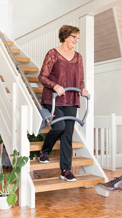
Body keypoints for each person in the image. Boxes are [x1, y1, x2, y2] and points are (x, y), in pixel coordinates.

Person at [38, 25, 89, 182]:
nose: (76, 40)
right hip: (53, 99)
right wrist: (55, 85)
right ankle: (45, 151)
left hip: (71, 99)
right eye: (74, 37)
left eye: (77, 38)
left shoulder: (78, 57)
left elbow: (80, 79)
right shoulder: (53, 54)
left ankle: (65, 170)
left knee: (67, 134)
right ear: (66, 36)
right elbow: (42, 77)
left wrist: (83, 89)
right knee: (59, 127)